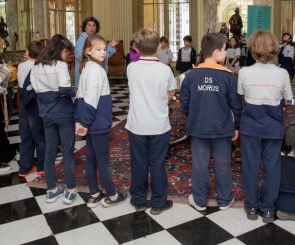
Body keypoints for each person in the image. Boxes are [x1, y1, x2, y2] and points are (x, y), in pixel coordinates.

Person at [180, 33, 241, 212]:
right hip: (222, 128)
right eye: (224, 50)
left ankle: (199, 200)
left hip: (198, 127)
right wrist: (236, 126)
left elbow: (185, 101)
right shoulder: (228, 77)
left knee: (200, 164)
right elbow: (236, 105)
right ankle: (224, 199)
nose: (226, 53)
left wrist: (192, 115)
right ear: (216, 52)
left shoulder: (192, 75)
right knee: (223, 163)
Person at [238, 30, 293, 223]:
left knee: (251, 166)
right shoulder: (282, 73)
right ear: (274, 49)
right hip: (274, 127)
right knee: (272, 167)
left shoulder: (244, 73)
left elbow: (242, 97)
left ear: (252, 50)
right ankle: (268, 209)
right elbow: (288, 100)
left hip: (250, 127)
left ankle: (252, 206)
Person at [126, 29, 176, 215]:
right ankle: (158, 202)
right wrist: (164, 99)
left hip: (137, 124)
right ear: (158, 46)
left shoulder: (131, 68)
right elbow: (170, 94)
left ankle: (139, 200)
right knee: (157, 163)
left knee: (138, 162)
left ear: (137, 47)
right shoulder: (165, 70)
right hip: (159, 125)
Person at [75, 34, 127, 208]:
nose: (103, 52)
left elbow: (79, 98)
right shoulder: (97, 71)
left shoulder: (86, 68)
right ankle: (112, 195)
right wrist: (85, 123)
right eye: (99, 49)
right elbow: (90, 101)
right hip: (96, 124)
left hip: (89, 123)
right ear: (88, 51)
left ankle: (94, 193)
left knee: (91, 158)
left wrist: (80, 121)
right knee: (103, 161)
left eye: (105, 49)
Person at [30, 34, 77, 204]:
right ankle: (71, 189)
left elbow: (35, 89)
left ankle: (51, 189)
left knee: (50, 150)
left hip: (45, 113)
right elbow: (65, 89)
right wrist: (75, 91)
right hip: (63, 113)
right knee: (67, 151)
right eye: (67, 53)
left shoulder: (36, 66)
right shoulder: (60, 65)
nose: (66, 56)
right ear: (63, 50)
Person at [17, 40, 46, 178]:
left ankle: (24, 168)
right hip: (35, 103)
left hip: (23, 104)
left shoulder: (21, 66)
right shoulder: (40, 66)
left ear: (29, 52)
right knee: (39, 137)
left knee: (25, 136)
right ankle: (41, 167)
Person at [74, 16, 118, 86]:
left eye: (94, 26)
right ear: (85, 27)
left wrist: (110, 46)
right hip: (86, 70)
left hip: (98, 70)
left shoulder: (98, 39)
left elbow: (104, 54)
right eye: (89, 25)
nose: (91, 27)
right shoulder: (81, 40)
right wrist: (93, 61)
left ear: (96, 28)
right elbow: (79, 55)